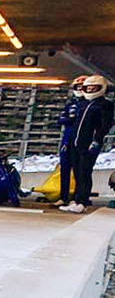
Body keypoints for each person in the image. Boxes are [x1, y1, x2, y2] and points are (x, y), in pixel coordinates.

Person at [62, 75, 113, 213]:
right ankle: (76, 199)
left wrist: (97, 140)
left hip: (89, 142)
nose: (90, 90)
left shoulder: (105, 105)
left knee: (85, 171)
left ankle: (82, 201)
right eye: (88, 88)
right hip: (75, 141)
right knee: (77, 172)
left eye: (93, 88)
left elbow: (105, 124)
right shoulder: (82, 103)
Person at [57, 76, 87, 208]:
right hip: (67, 139)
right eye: (77, 87)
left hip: (81, 140)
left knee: (79, 170)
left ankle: (78, 197)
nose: (80, 89)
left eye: (82, 87)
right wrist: (70, 119)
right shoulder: (71, 103)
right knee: (64, 168)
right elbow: (62, 119)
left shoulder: (89, 104)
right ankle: (63, 196)